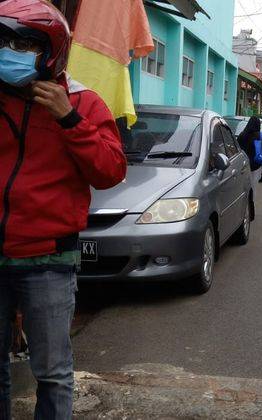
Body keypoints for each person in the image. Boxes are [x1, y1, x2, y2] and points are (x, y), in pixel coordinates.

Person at [0, 1, 127, 418]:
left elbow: (110, 170)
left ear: (50, 51)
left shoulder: (83, 102)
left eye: (23, 43)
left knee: (52, 374)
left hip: (49, 260)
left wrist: (68, 119)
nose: (10, 51)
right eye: (3, 42)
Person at [237, 116, 262, 185]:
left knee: (243, 186)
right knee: (253, 186)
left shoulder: (242, 135)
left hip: (243, 165)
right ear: (258, 125)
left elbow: (237, 148)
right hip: (256, 165)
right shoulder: (261, 136)